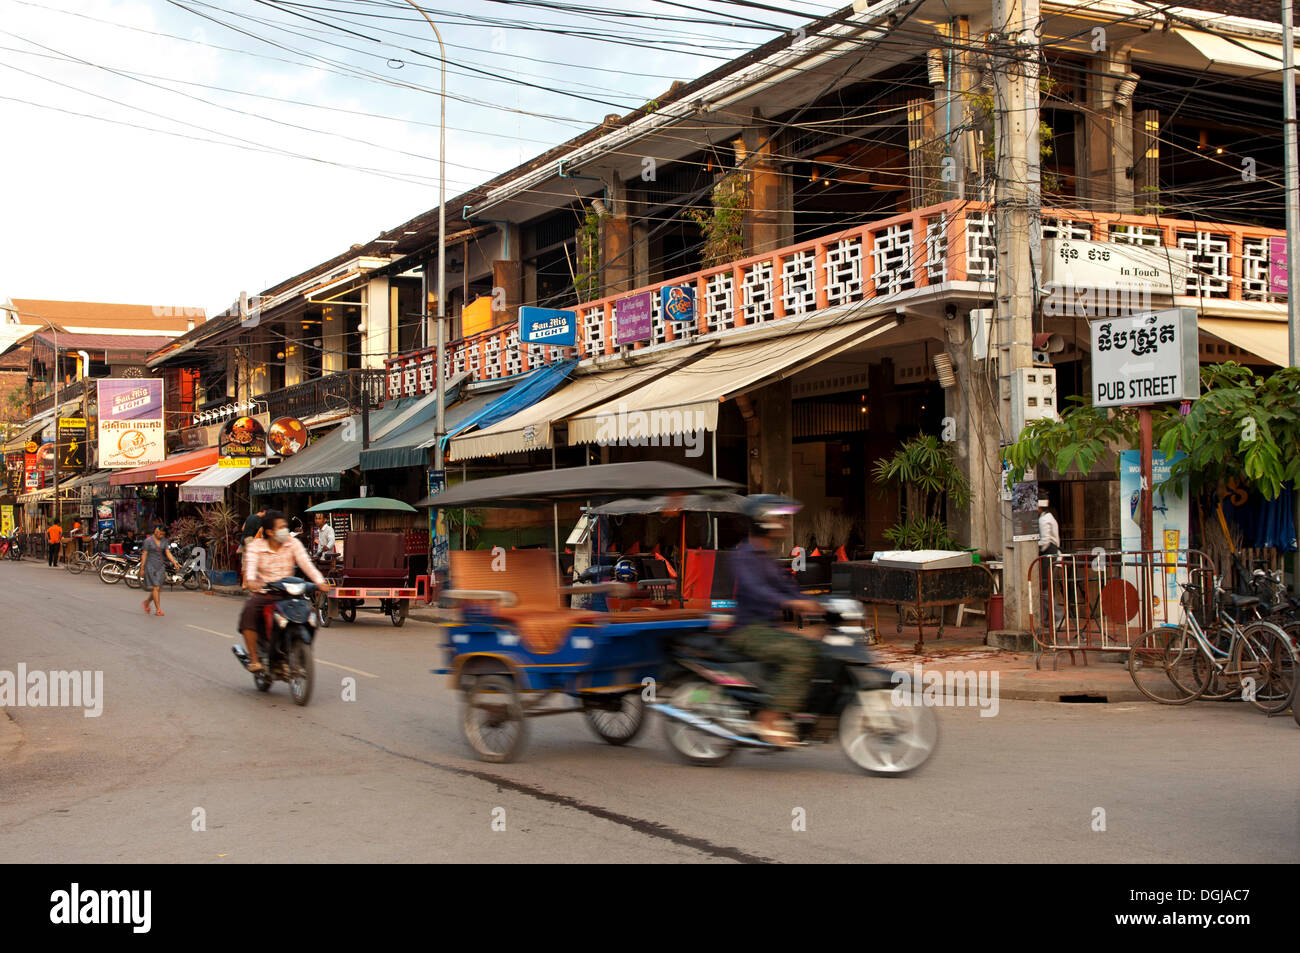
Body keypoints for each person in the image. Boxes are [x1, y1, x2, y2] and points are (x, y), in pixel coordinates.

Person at [729, 495, 824, 746]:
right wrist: (792, 603)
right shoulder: (744, 555)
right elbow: (756, 589)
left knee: (821, 647)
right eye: (778, 517)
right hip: (749, 630)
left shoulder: (765, 555)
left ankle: (796, 710)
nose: (783, 522)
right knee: (800, 655)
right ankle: (768, 719)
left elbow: (786, 587)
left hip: (769, 627)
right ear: (760, 521)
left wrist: (819, 604)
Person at [240, 509, 326, 675]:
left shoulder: (292, 543)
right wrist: (251, 581)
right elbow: (250, 569)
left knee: (310, 616)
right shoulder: (256, 547)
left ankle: (299, 651)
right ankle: (255, 659)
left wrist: (320, 582)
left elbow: (306, 564)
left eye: (285, 526)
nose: (284, 530)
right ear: (270, 532)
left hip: (290, 592)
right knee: (248, 614)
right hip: (265, 592)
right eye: (281, 527)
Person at [140, 525, 181, 617]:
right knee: (156, 587)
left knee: (158, 589)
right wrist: (142, 568)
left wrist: (174, 562)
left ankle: (146, 602)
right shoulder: (148, 541)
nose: (159, 535)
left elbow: (167, 552)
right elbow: (144, 554)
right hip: (150, 566)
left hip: (160, 567)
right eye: (158, 532)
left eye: (162, 534)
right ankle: (158, 610)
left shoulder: (164, 541)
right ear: (155, 530)